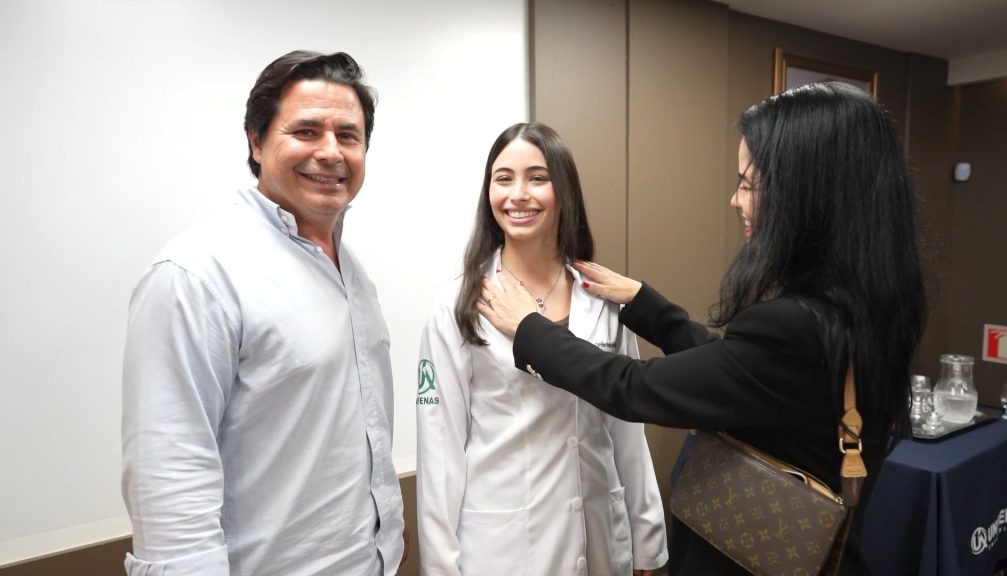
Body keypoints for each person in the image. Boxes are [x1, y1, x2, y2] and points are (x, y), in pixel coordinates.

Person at [480, 82, 928, 575]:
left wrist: (531, 330)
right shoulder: (866, 308)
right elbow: (742, 371)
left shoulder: (794, 326)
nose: (736, 200)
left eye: (749, 184)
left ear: (805, 196)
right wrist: (647, 306)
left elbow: (634, 387)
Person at [121, 51, 404, 576]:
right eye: (306, 131)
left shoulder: (351, 273)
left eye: (348, 135)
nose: (330, 152)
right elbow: (170, 475)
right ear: (256, 141)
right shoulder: (197, 274)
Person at [416, 122, 668, 575]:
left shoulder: (601, 297)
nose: (518, 195)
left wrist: (647, 537)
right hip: (503, 550)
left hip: (602, 538)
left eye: (537, 178)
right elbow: (441, 454)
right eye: (503, 178)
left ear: (563, 190)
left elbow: (628, 429)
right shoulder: (460, 304)